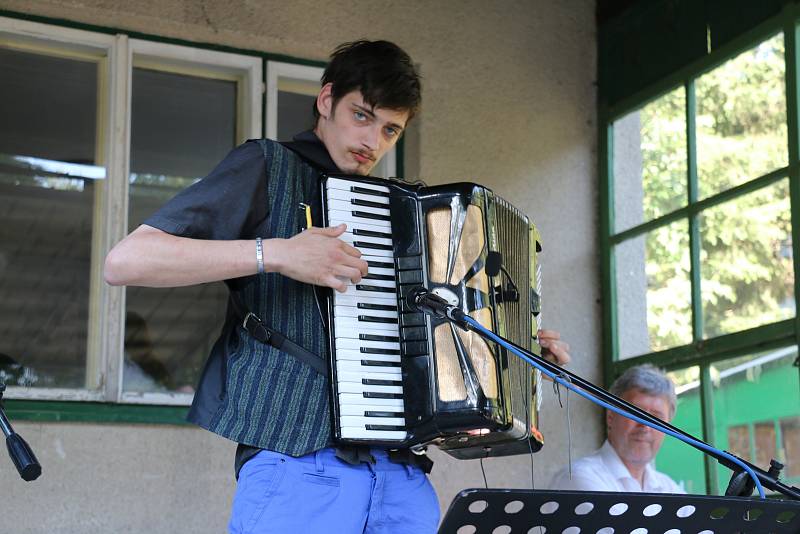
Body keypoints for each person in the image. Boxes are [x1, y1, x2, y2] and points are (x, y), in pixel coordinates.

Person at [105, 40, 571, 534]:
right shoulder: (267, 165)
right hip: (297, 463)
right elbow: (127, 261)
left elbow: (427, 344)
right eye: (361, 115)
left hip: (402, 476)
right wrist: (277, 252)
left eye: (390, 129)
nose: (372, 140)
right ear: (326, 101)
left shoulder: (406, 211)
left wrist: (515, 354)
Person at [549, 364, 684, 493]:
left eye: (656, 418)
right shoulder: (580, 477)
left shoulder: (669, 488)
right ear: (611, 417)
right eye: (635, 413)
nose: (646, 426)